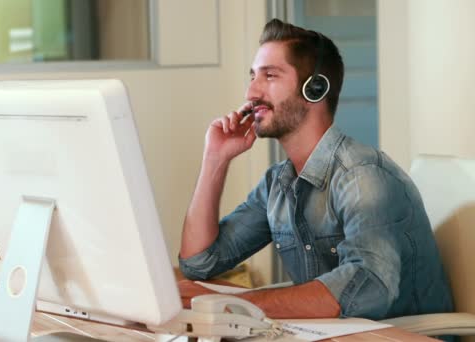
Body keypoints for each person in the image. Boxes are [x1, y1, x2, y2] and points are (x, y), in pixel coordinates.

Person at [178, 18, 454, 321]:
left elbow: (366, 289)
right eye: (253, 76)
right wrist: (215, 158)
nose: (251, 93)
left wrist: (232, 303)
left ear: (315, 88)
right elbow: (199, 263)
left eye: (269, 76)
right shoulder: (278, 184)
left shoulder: (362, 176)